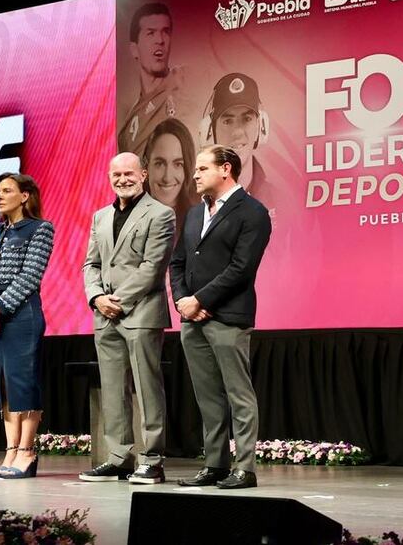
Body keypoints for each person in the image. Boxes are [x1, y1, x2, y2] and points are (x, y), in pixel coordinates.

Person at [170, 145, 272, 489]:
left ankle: (245, 467)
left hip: (228, 316)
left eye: (201, 168)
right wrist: (183, 299)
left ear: (225, 169)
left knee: (238, 394)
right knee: (208, 397)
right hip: (192, 319)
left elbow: (242, 269)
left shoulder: (252, 212)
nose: (194, 174)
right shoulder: (195, 213)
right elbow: (177, 262)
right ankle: (215, 464)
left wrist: (201, 299)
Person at [79, 153, 175, 484]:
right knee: (112, 389)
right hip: (104, 315)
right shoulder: (100, 217)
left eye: (129, 173)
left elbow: (153, 267)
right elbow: (90, 264)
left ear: (144, 175)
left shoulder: (161, 214)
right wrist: (96, 297)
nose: (122, 179)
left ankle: (152, 459)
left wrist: (116, 301)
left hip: (141, 312)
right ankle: (118, 457)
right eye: (116, 174)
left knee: (148, 388)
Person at [0, 173, 54, 479]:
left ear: (24, 196)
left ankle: (27, 451)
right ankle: (10, 450)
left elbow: (31, 276)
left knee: (23, 382)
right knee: (3, 385)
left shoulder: (40, 229)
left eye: (6, 190)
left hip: (22, 315)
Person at [118, 2, 190, 157]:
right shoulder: (128, 128)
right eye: (150, 33)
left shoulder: (186, 79)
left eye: (165, 32)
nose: (160, 40)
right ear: (134, 49)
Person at [200, 73, 270, 197]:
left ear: (260, 127)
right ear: (210, 132)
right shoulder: (193, 206)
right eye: (228, 121)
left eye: (247, 119)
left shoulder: (283, 201)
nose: (237, 132)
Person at [143, 118, 198, 228]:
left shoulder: (203, 222)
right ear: (146, 166)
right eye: (159, 164)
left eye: (178, 164)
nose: (167, 177)